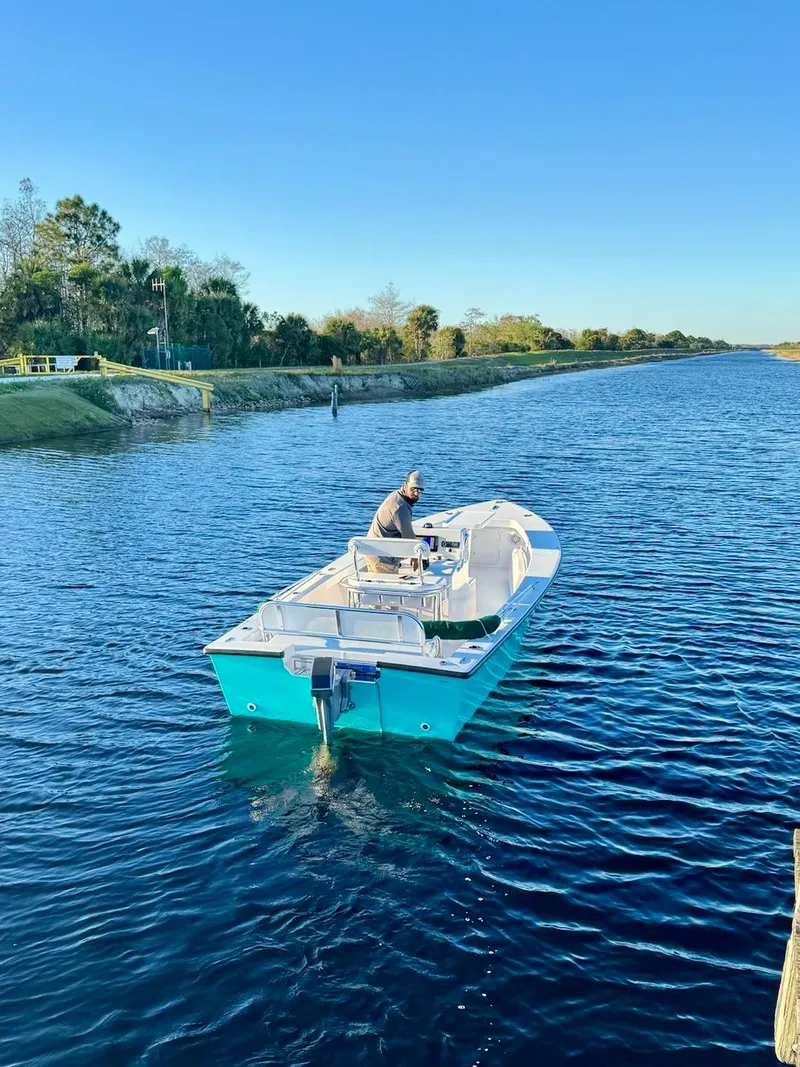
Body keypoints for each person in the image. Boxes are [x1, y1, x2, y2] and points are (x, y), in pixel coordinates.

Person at [365, 471, 425, 573]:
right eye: (414, 489)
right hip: (381, 557)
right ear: (405, 485)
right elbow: (408, 536)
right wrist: (416, 557)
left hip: (373, 550)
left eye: (420, 490)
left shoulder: (396, 495)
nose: (416, 494)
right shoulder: (401, 508)